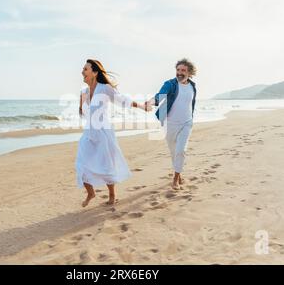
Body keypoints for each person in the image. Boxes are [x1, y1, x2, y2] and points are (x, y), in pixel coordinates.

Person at [76, 59, 151, 207]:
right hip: (88, 134)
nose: (82, 72)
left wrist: (142, 106)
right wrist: (82, 106)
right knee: (81, 164)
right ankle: (91, 193)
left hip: (103, 133)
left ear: (95, 72)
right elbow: (83, 113)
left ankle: (112, 194)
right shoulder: (83, 93)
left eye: (85, 69)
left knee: (106, 164)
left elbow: (123, 100)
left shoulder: (105, 88)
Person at [145, 58, 197, 190]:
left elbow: (191, 105)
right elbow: (159, 96)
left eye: (183, 70)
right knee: (174, 152)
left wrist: (191, 118)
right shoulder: (170, 84)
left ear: (189, 72)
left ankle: (175, 178)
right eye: (178, 70)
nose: (179, 72)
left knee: (181, 151)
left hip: (186, 123)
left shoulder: (192, 86)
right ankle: (179, 175)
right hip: (169, 123)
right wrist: (150, 102)